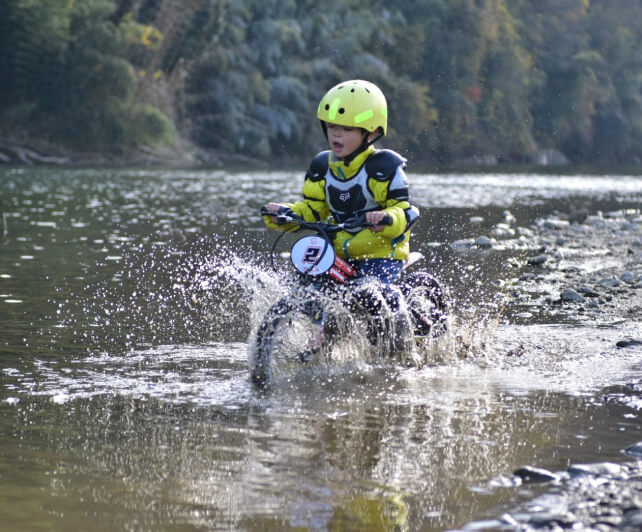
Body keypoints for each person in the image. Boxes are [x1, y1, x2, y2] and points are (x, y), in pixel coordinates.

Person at [263, 79, 419, 286]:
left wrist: (385, 218)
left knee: (374, 297)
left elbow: (405, 211)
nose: (336, 134)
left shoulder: (383, 167)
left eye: (347, 129)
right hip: (336, 252)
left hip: (379, 255)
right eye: (331, 126)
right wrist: (286, 213)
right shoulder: (322, 166)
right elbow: (314, 210)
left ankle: (399, 318)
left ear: (371, 133)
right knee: (302, 287)